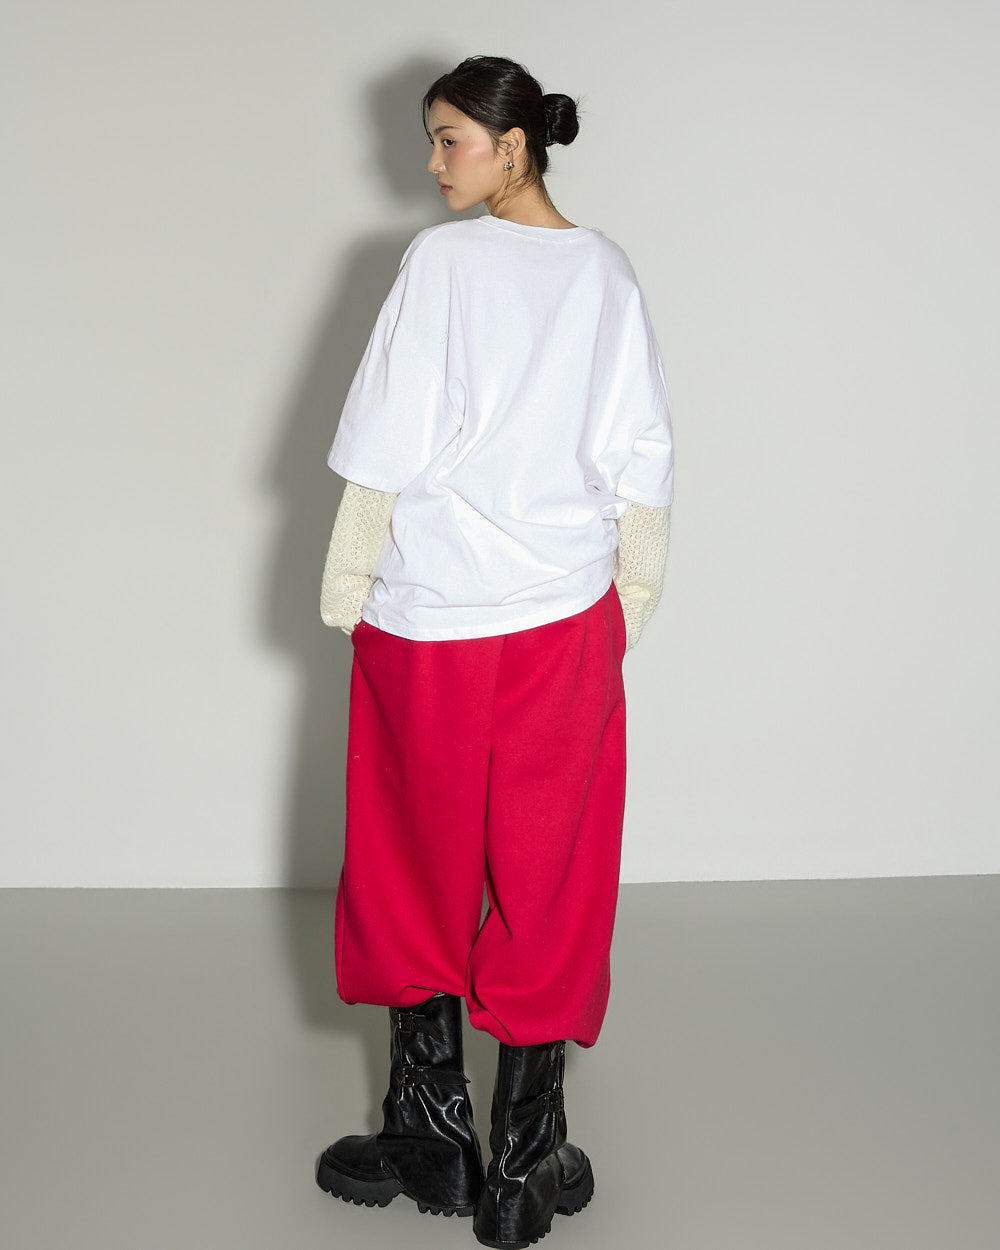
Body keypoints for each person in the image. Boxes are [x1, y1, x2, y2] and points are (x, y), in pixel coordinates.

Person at [315, 54, 674, 1249]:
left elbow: (388, 436)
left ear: (512, 146)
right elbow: (640, 453)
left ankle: (429, 1128)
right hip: (560, 621)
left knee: (405, 858)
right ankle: (524, 1160)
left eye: (449, 140)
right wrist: (630, 597)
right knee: (551, 871)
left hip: (429, 619)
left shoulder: (440, 264)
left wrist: (347, 577)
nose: (432, 163)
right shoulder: (605, 272)